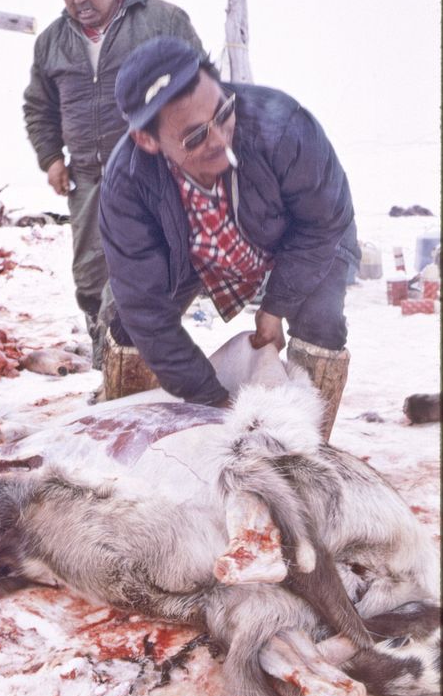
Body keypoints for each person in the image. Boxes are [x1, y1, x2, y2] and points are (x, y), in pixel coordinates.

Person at [99, 36, 361, 440]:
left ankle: (308, 456)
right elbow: (146, 310)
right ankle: (127, 445)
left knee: (322, 325)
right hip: (198, 249)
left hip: (303, 237)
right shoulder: (126, 185)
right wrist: (213, 402)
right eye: (194, 137)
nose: (220, 139)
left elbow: (323, 223)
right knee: (131, 331)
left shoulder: (285, 127)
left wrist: (275, 309)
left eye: (223, 112)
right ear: (147, 140)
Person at [23, 0, 204, 367]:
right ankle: (108, 357)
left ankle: (133, 364)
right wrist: (50, 158)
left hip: (150, 177)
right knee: (89, 279)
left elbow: (202, 89)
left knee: (137, 278)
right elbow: (38, 106)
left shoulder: (163, 21)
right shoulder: (51, 42)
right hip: (87, 177)